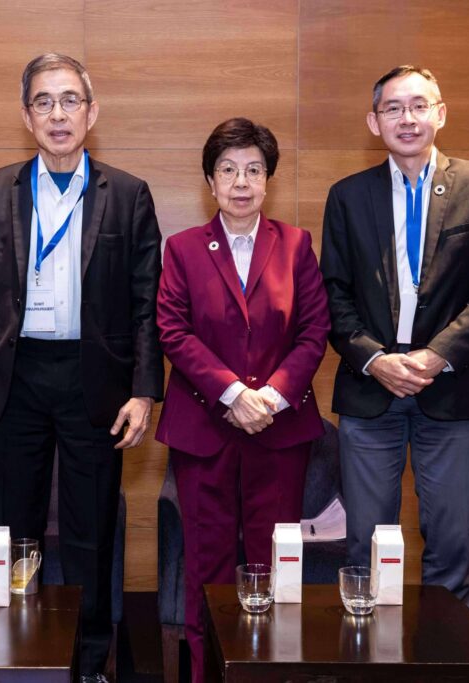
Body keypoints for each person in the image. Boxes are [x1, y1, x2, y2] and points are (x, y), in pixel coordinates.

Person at [0, 53, 163, 683]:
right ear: (26, 117)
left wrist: (144, 392)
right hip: (11, 377)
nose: (58, 114)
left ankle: (91, 661)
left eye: (70, 100)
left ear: (92, 113)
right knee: (12, 527)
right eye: (43, 102)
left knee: (89, 529)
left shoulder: (128, 194)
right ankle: (21, 657)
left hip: (94, 380)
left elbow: (147, 304)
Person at [319, 65, 469, 602]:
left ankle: (443, 649)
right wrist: (375, 359)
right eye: (393, 108)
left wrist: (436, 355)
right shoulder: (347, 196)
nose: (406, 119)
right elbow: (332, 294)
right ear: (374, 121)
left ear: (440, 114)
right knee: (365, 546)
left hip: (449, 385)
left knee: (451, 546)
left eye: (418, 106)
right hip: (370, 387)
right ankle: (368, 646)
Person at [156, 118, 331, 682]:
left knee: (272, 565)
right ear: (210, 181)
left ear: (268, 180)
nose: (241, 182)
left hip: (280, 432)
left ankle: (266, 673)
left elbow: (314, 331)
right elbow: (173, 330)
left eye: (254, 170)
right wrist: (233, 394)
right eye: (228, 170)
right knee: (206, 569)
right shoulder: (183, 248)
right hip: (204, 429)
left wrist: (270, 398)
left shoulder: (296, 245)